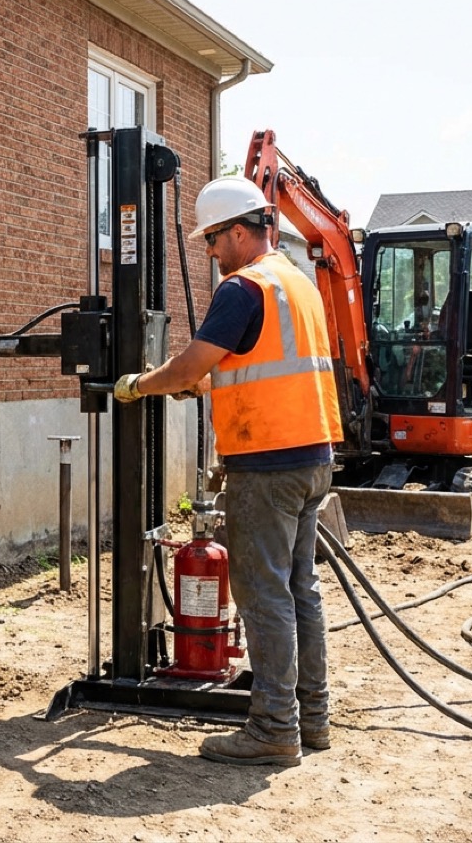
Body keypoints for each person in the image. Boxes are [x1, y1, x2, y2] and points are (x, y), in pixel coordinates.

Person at [113, 176, 343, 767]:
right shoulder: (297, 283)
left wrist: (141, 384)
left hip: (267, 463)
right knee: (299, 591)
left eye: (213, 240)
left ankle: (272, 730)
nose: (211, 253)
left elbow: (191, 361)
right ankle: (310, 718)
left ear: (241, 231)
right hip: (312, 455)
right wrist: (211, 384)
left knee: (263, 596)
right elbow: (265, 363)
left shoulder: (244, 288)